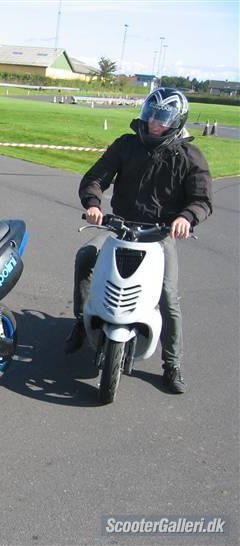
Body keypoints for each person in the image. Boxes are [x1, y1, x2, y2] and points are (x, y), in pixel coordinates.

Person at [64, 87, 213, 394]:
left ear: (176, 120)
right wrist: (93, 203)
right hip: (119, 228)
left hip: (159, 235)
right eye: (151, 115)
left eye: (162, 118)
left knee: (168, 295)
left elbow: (202, 199)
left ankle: (172, 364)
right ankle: (82, 320)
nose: (154, 123)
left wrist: (186, 218)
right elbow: (96, 176)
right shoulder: (126, 144)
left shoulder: (189, 155)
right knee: (85, 257)